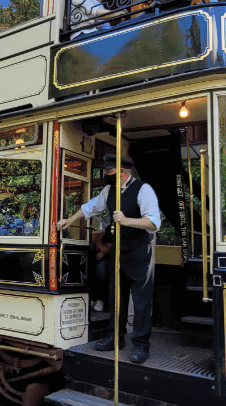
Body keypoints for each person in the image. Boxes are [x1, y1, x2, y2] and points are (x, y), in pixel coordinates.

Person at [57, 154, 161, 364]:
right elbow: (89, 208)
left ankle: (141, 345)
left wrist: (125, 220)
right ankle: (116, 337)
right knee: (116, 297)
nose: (106, 175)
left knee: (141, 301)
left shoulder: (144, 190)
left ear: (122, 172)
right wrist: (69, 220)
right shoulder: (109, 191)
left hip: (140, 251)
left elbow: (153, 223)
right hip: (119, 251)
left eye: (109, 172)